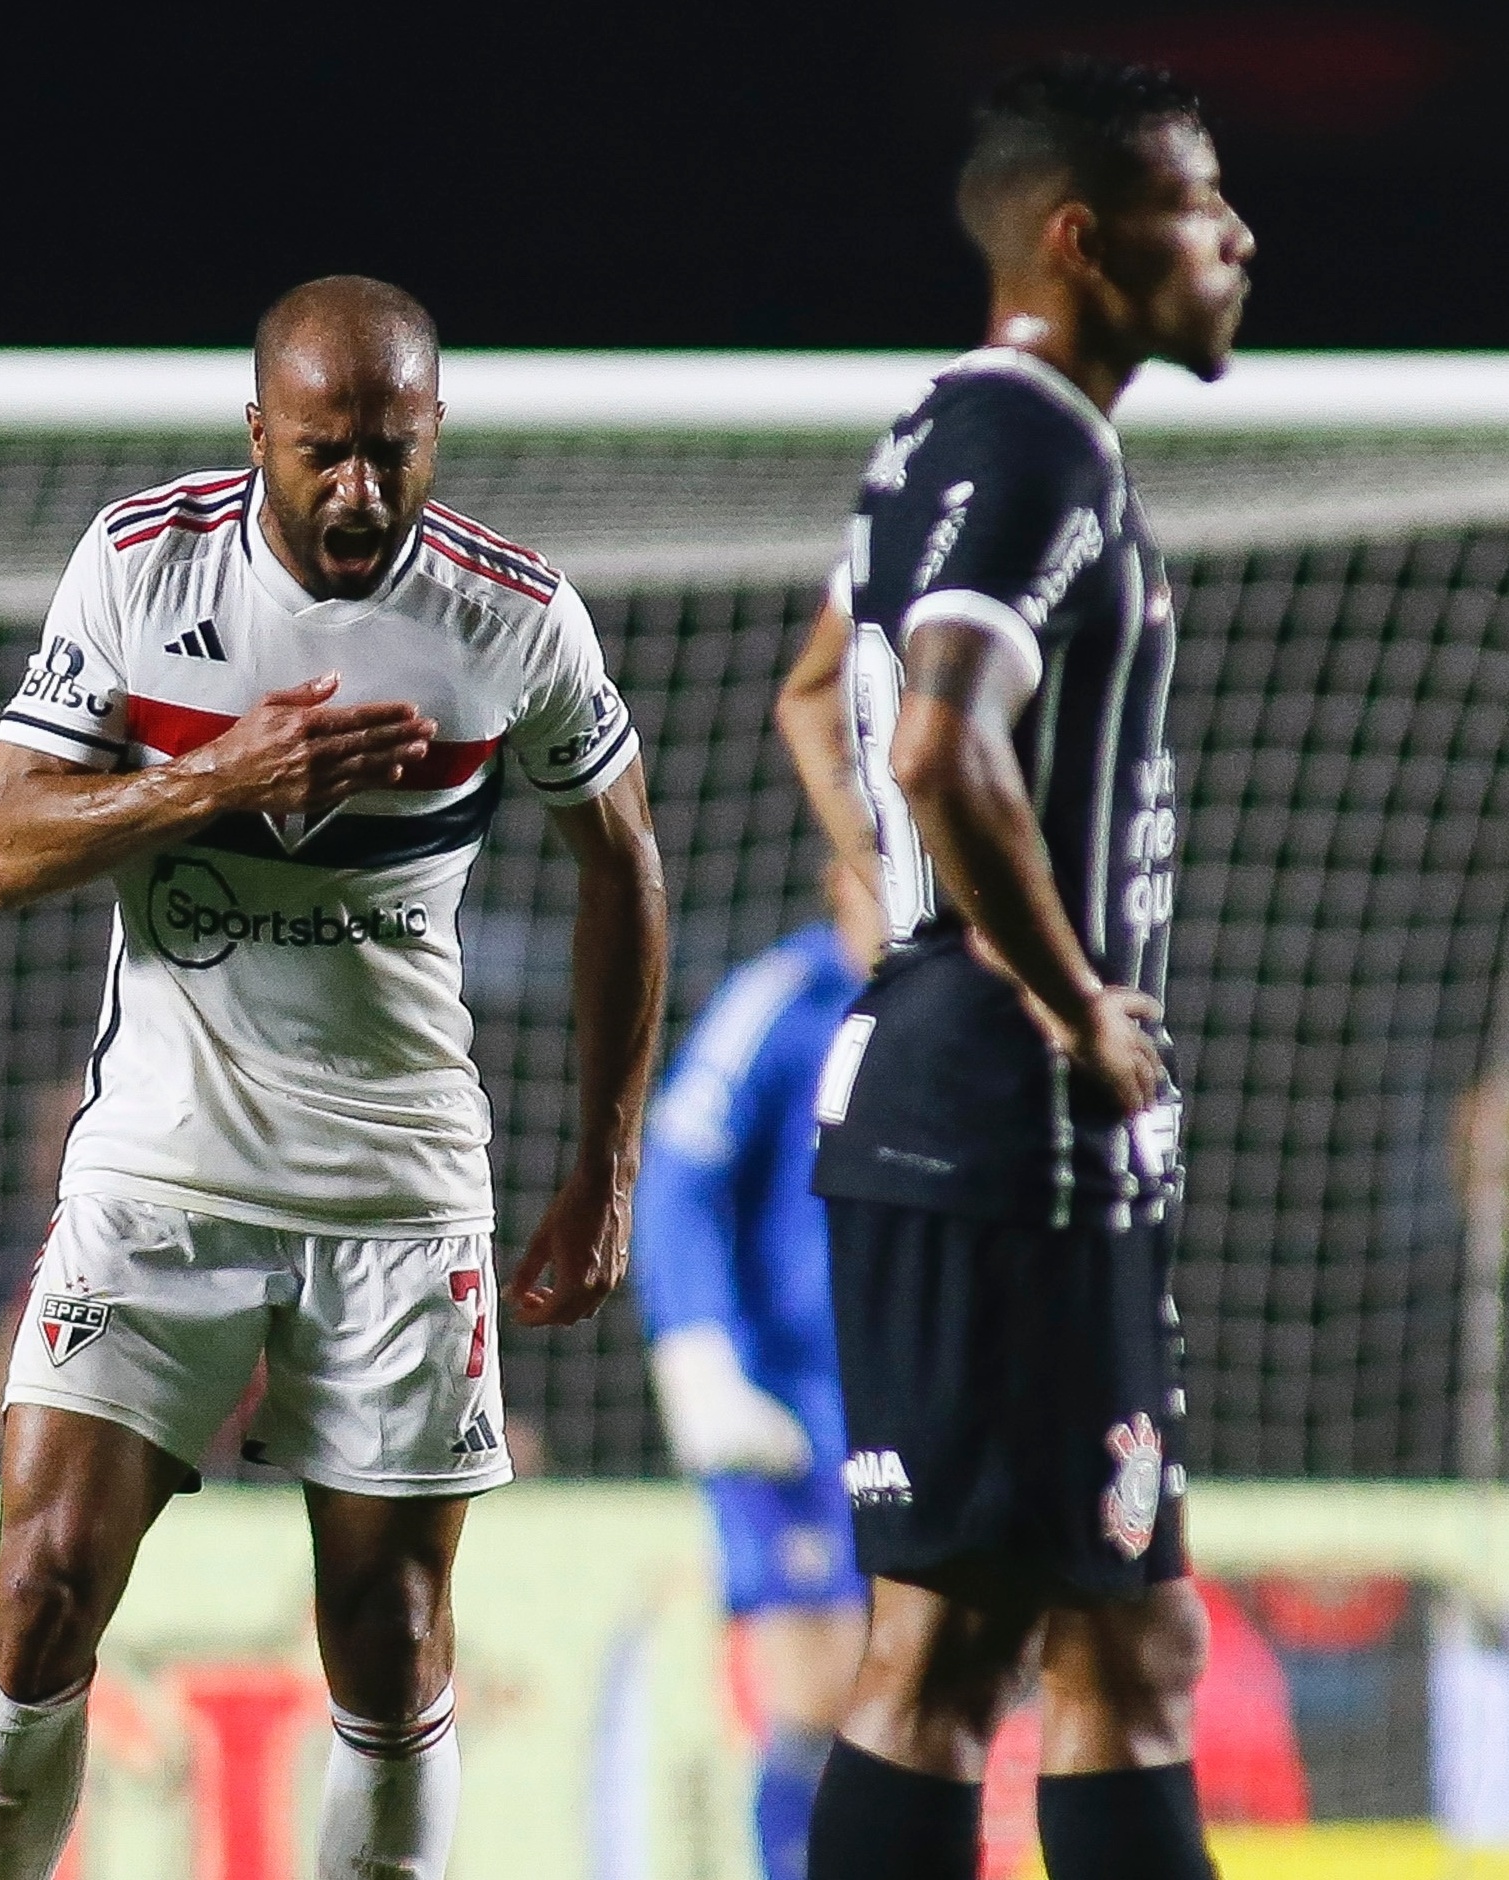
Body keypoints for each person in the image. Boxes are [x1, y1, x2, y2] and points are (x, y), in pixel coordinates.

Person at [0, 275, 667, 1880]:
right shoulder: (144, 568)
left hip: (400, 1185)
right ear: (258, 431)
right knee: (47, 1576)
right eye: (326, 451)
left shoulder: (513, 615)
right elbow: (6, 845)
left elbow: (624, 866)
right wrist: (213, 777)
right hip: (161, 1168)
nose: (361, 491)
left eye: (393, 452)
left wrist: (603, 1167)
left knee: (391, 1632)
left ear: (436, 435)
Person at [776, 58, 1254, 1880]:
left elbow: (820, 691)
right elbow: (931, 743)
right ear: (1083, 236)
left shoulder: (943, 435)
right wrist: (1056, 1001)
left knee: (1117, 1641)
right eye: (1199, 205)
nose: (1235, 240)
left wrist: (900, 912)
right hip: (1008, 1127)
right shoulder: (1031, 437)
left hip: (980, 1113)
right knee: (961, 1658)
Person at [633, 853, 880, 1880]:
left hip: (918, 1397)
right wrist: (699, 1355)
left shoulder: (966, 1006)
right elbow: (677, 1170)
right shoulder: (781, 998)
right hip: (789, 1408)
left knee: (915, 1696)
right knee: (817, 1692)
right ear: (834, 877)